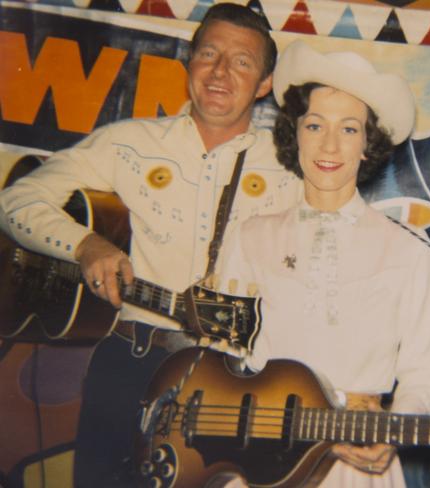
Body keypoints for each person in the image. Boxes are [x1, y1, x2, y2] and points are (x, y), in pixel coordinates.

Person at [0, 3, 302, 486]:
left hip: (232, 381)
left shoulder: (291, 167)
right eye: (209, 53)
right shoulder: (128, 142)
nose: (221, 71)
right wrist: (86, 245)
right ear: (189, 63)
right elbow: (15, 200)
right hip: (128, 366)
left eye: (242, 61)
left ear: (264, 83)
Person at [218, 40, 430, 487]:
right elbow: (225, 359)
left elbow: (423, 377)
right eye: (315, 124)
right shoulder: (250, 236)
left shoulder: (410, 250)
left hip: (359, 464)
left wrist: (392, 431)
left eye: (348, 129)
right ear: (295, 133)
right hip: (263, 458)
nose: (329, 144)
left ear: (367, 145)